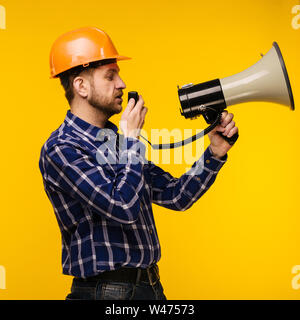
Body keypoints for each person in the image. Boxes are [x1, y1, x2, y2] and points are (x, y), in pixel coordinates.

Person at [39, 27, 238, 300]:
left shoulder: (119, 142)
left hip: (150, 287)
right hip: (105, 292)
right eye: (110, 76)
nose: (121, 84)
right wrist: (131, 140)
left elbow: (176, 195)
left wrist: (214, 153)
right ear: (81, 86)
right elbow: (121, 206)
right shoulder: (62, 148)